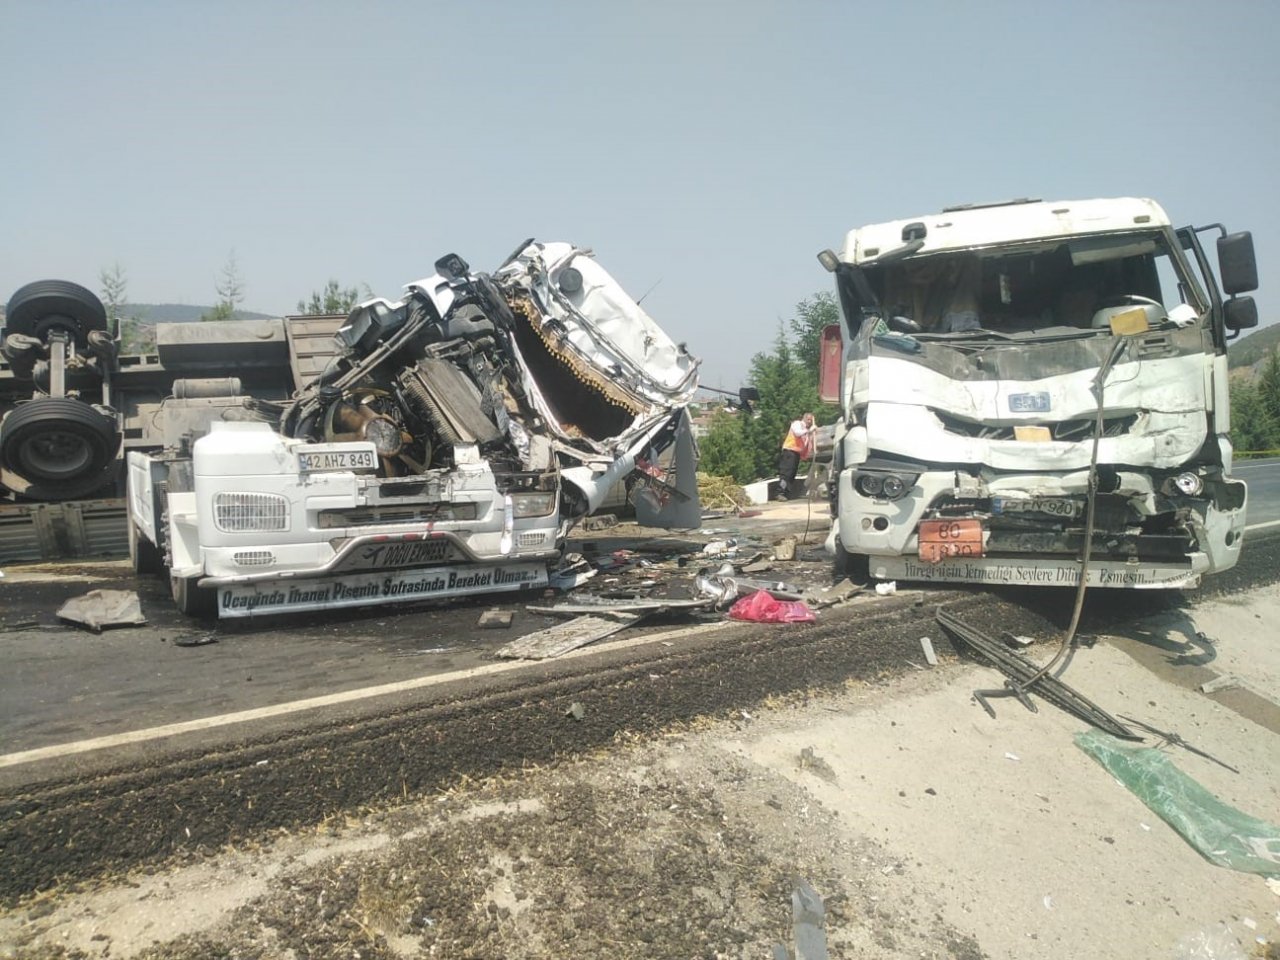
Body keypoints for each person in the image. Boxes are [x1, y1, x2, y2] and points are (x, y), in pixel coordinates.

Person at [777, 412, 815, 500]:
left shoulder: (806, 431)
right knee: (786, 473)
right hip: (789, 450)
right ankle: (780, 492)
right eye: (808, 419)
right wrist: (809, 431)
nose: (809, 422)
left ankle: (786, 493)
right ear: (804, 418)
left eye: (811, 420)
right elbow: (797, 433)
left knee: (792, 474)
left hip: (796, 453)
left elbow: (806, 445)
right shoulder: (797, 424)